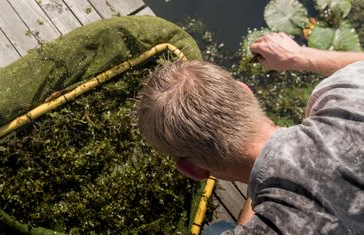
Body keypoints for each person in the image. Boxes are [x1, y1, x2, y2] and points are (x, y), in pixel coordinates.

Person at [137, 32, 364, 234]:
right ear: (246, 91)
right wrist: (299, 56)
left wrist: (260, 177)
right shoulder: (347, 94)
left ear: (193, 170)